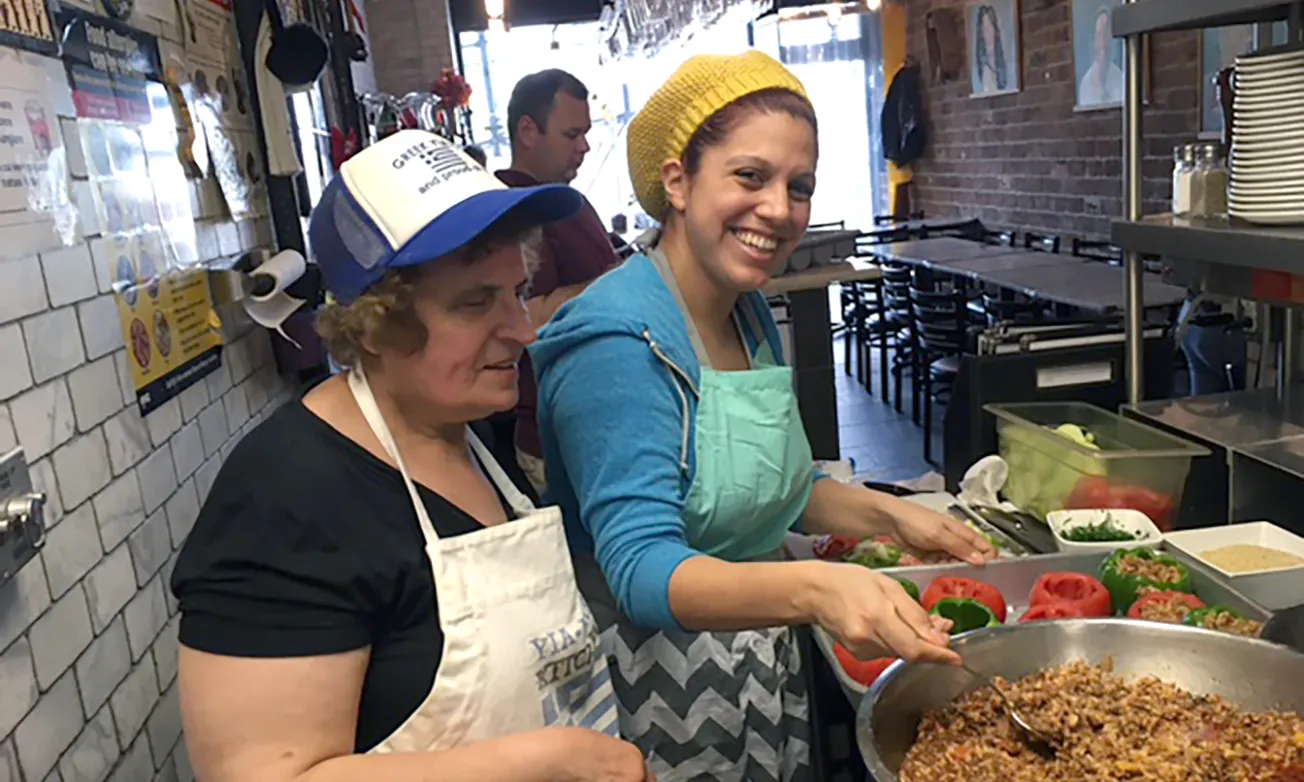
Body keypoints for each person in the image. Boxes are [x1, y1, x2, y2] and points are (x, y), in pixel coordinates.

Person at [531, 52, 996, 781]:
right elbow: (642, 572)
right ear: (678, 181)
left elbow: (764, 485)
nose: (778, 210)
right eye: (750, 177)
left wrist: (893, 518)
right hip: (652, 697)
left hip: (757, 666)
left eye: (798, 185)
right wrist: (816, 590)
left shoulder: (742, 307)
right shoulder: (615, 342)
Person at [171, 130, 650, 782]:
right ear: (372, 321)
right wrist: (540, 761)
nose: (522, 329)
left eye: (516, 290)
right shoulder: (288, 498)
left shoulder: (464, 433)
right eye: (476, 301)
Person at [494, 68, 620, 495]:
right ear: (528, 130)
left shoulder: (569, 201)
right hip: (560, 437)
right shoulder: (507, 209)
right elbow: (526, 318)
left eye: (585, 133)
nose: (584, 146)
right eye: (571, 134)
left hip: (605, 419)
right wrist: (622, 283)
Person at [1078, 6, 1124, 107]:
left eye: (1106, 35)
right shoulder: (1085, 85)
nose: (1103, 42)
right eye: (1099, 35)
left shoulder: (1121, 80)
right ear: (1094, 40)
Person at [973, 4, 1008, 94]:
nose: (987, 31)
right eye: (984, 28)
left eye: (989, 26)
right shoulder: (977, 67)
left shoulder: (1006, 61)